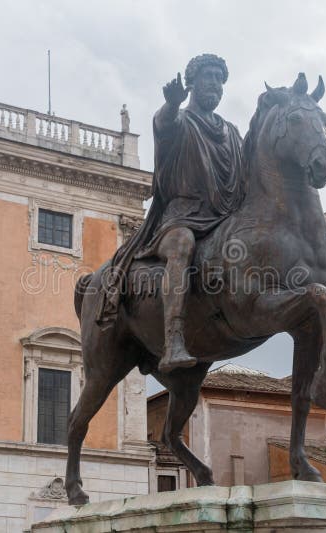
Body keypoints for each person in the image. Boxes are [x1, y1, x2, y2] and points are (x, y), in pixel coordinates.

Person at [96, 53, 243, 372]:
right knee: (182, 246)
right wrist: (172, 104)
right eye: (208, 78)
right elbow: (164, 123)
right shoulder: (178, 121)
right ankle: (173, 339)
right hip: (178, 219)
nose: (215, 85)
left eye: (220, 79)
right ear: (191, 84)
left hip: (221, 220)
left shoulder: (231, 133)